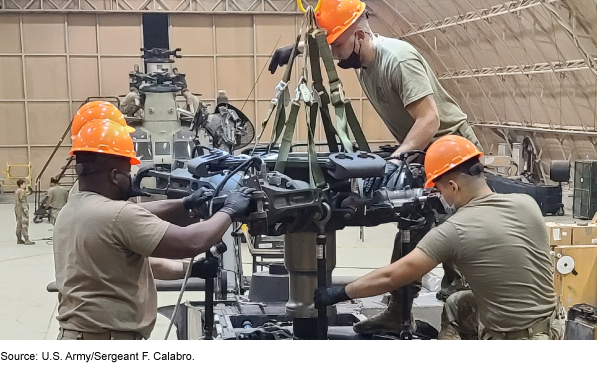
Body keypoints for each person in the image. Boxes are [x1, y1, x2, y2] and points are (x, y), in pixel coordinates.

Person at [269, 0, 479, 334]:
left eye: (337, 45)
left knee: (451, 235)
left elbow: (430, 119)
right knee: (412, 227)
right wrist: (295, 48)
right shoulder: (363, 62)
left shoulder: (398, 60)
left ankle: (467, 320)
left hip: (454, 155)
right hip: (426, 154)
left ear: (361, 35)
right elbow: (329, 41)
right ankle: (399, 310)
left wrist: (397, 158)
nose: (335, 56)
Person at [314, 136, 562, 340]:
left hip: (518, 341)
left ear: (453, 187)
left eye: (439, 189)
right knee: (456, 304)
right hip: (552, 327)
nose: (439, 196)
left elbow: (392, 276)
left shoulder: (454, 230)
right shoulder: (527, 204)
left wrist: (339, 293)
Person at [54, 119, 254, 340]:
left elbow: (140, 219)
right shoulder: (117, 215)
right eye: (127, 172)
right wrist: (230, 210)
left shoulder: (71, 211)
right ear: (114, 176)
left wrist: (184, 204)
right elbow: (192, 242)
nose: (130, 177)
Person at [14, 179, 33, 245]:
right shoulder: (21, 191)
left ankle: (19, 239)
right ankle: (26, 238)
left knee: (19, 224)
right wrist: (25, 209)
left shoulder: (17, 191)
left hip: (17, 209)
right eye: (24, 184)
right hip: (22, 209)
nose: (25, 185)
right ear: (21, 184)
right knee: (24, 223)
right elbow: (23, 201)